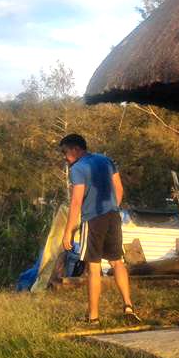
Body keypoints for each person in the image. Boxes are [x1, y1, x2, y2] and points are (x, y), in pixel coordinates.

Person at [59, 134, 139, 324]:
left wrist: (68, 231)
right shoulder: (106, 160)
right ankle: (128, 307)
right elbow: (119, 189)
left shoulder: (78, 168)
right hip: (113, 216)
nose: (64, 156)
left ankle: (93, 317)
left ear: (75, 149)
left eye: (65, 152)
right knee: (117, 262)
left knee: (93, 267)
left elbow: (77, 201)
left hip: (93, 219)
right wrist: (111, 208)